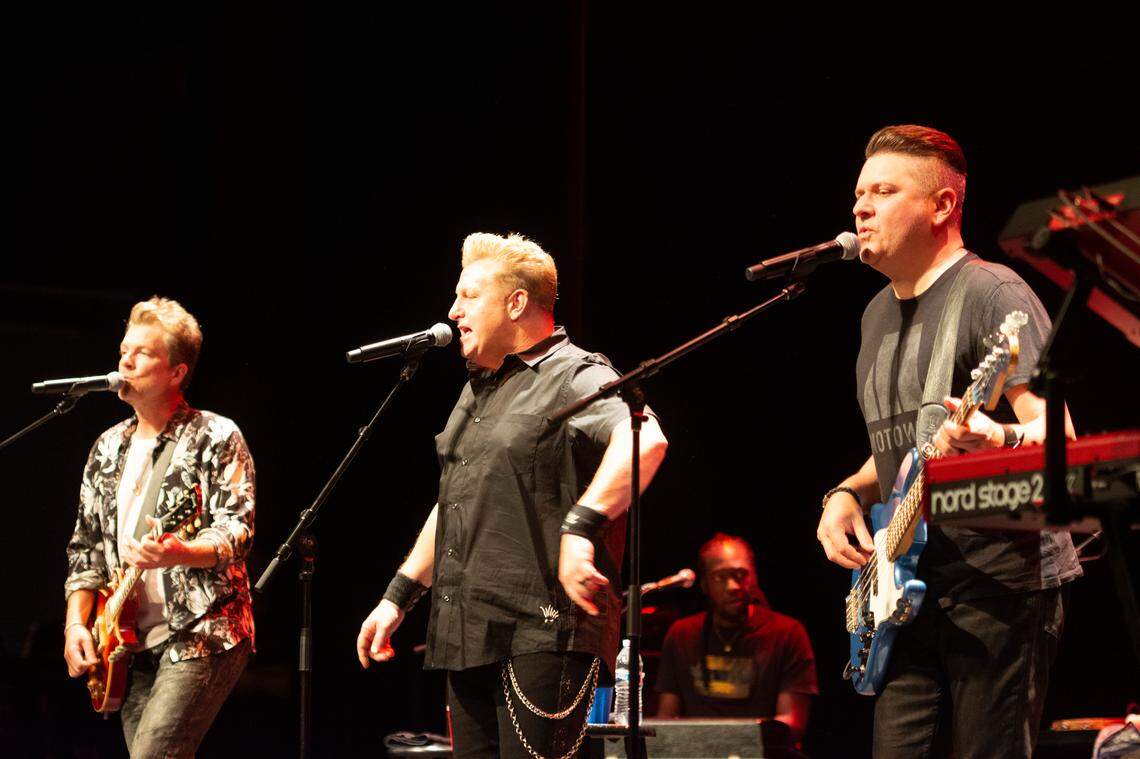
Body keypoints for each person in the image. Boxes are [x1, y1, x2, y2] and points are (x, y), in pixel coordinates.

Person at [816, 125, 1082, 758]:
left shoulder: (994, 291)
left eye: (883, 190)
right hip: (906, 594)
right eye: (859, 193)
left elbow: (1060, 436)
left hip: (999, 585)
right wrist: (846, 493)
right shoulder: (874, 313)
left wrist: (999, 434)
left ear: (942, 206)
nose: (861, 207)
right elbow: (902, 448)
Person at [356, 232, 668, 759]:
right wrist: (399, 596)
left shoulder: (576, 374)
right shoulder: (478, 386)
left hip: (543, 631)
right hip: (465, 629)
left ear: (516, 302)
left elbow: (646, 439)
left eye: (469, 296)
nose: (454, 311)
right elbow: (458, 499)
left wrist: (580, 528)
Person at [63, 296, 255, 758]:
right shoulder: (106, 447)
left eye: (143, 353)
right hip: (127, 647)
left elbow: (236, 530)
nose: (125, 360)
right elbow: (84, 549)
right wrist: (76, 624)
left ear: (176, 372)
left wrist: (178, 553)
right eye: (124, 349)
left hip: (202, 632)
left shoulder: (216, 435)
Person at [655, 534, 816, 744]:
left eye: (741, 574)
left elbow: (792, 724)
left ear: (754, 577)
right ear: (704, 584)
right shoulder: (681, 634)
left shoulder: (788, 633)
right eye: (720, 577)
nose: (733, 586)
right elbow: (666, 717)